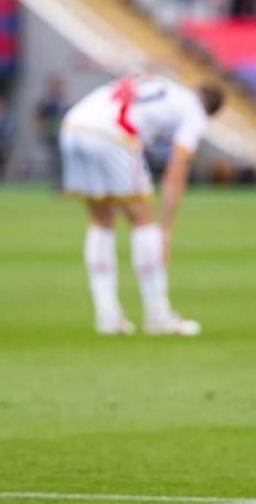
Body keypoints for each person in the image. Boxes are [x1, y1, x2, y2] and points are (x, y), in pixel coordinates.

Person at [60, 73, 224, 336]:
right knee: (142, 218)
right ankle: (158, 315)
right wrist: (166, 231)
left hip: (73, 125)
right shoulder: (194, 112)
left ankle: (107, 315)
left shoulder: (164, 84)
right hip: (112, 134)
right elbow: (176, 169)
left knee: (101, 219)